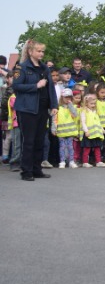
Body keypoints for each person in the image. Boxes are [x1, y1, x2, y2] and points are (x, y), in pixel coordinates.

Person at [12, 41, 57, 181]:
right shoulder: (22, 67)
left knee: (39, 141)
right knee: (29, 141)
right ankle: (26, 171)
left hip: (42, 108)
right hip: (27, 109)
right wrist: (35, 86)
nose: (41, 54)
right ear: (31, 52)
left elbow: (50, 88)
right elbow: (16, 86)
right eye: (38, 51)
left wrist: (54, 105)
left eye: (43, 51)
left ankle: (37, 169)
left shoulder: (45, 68)